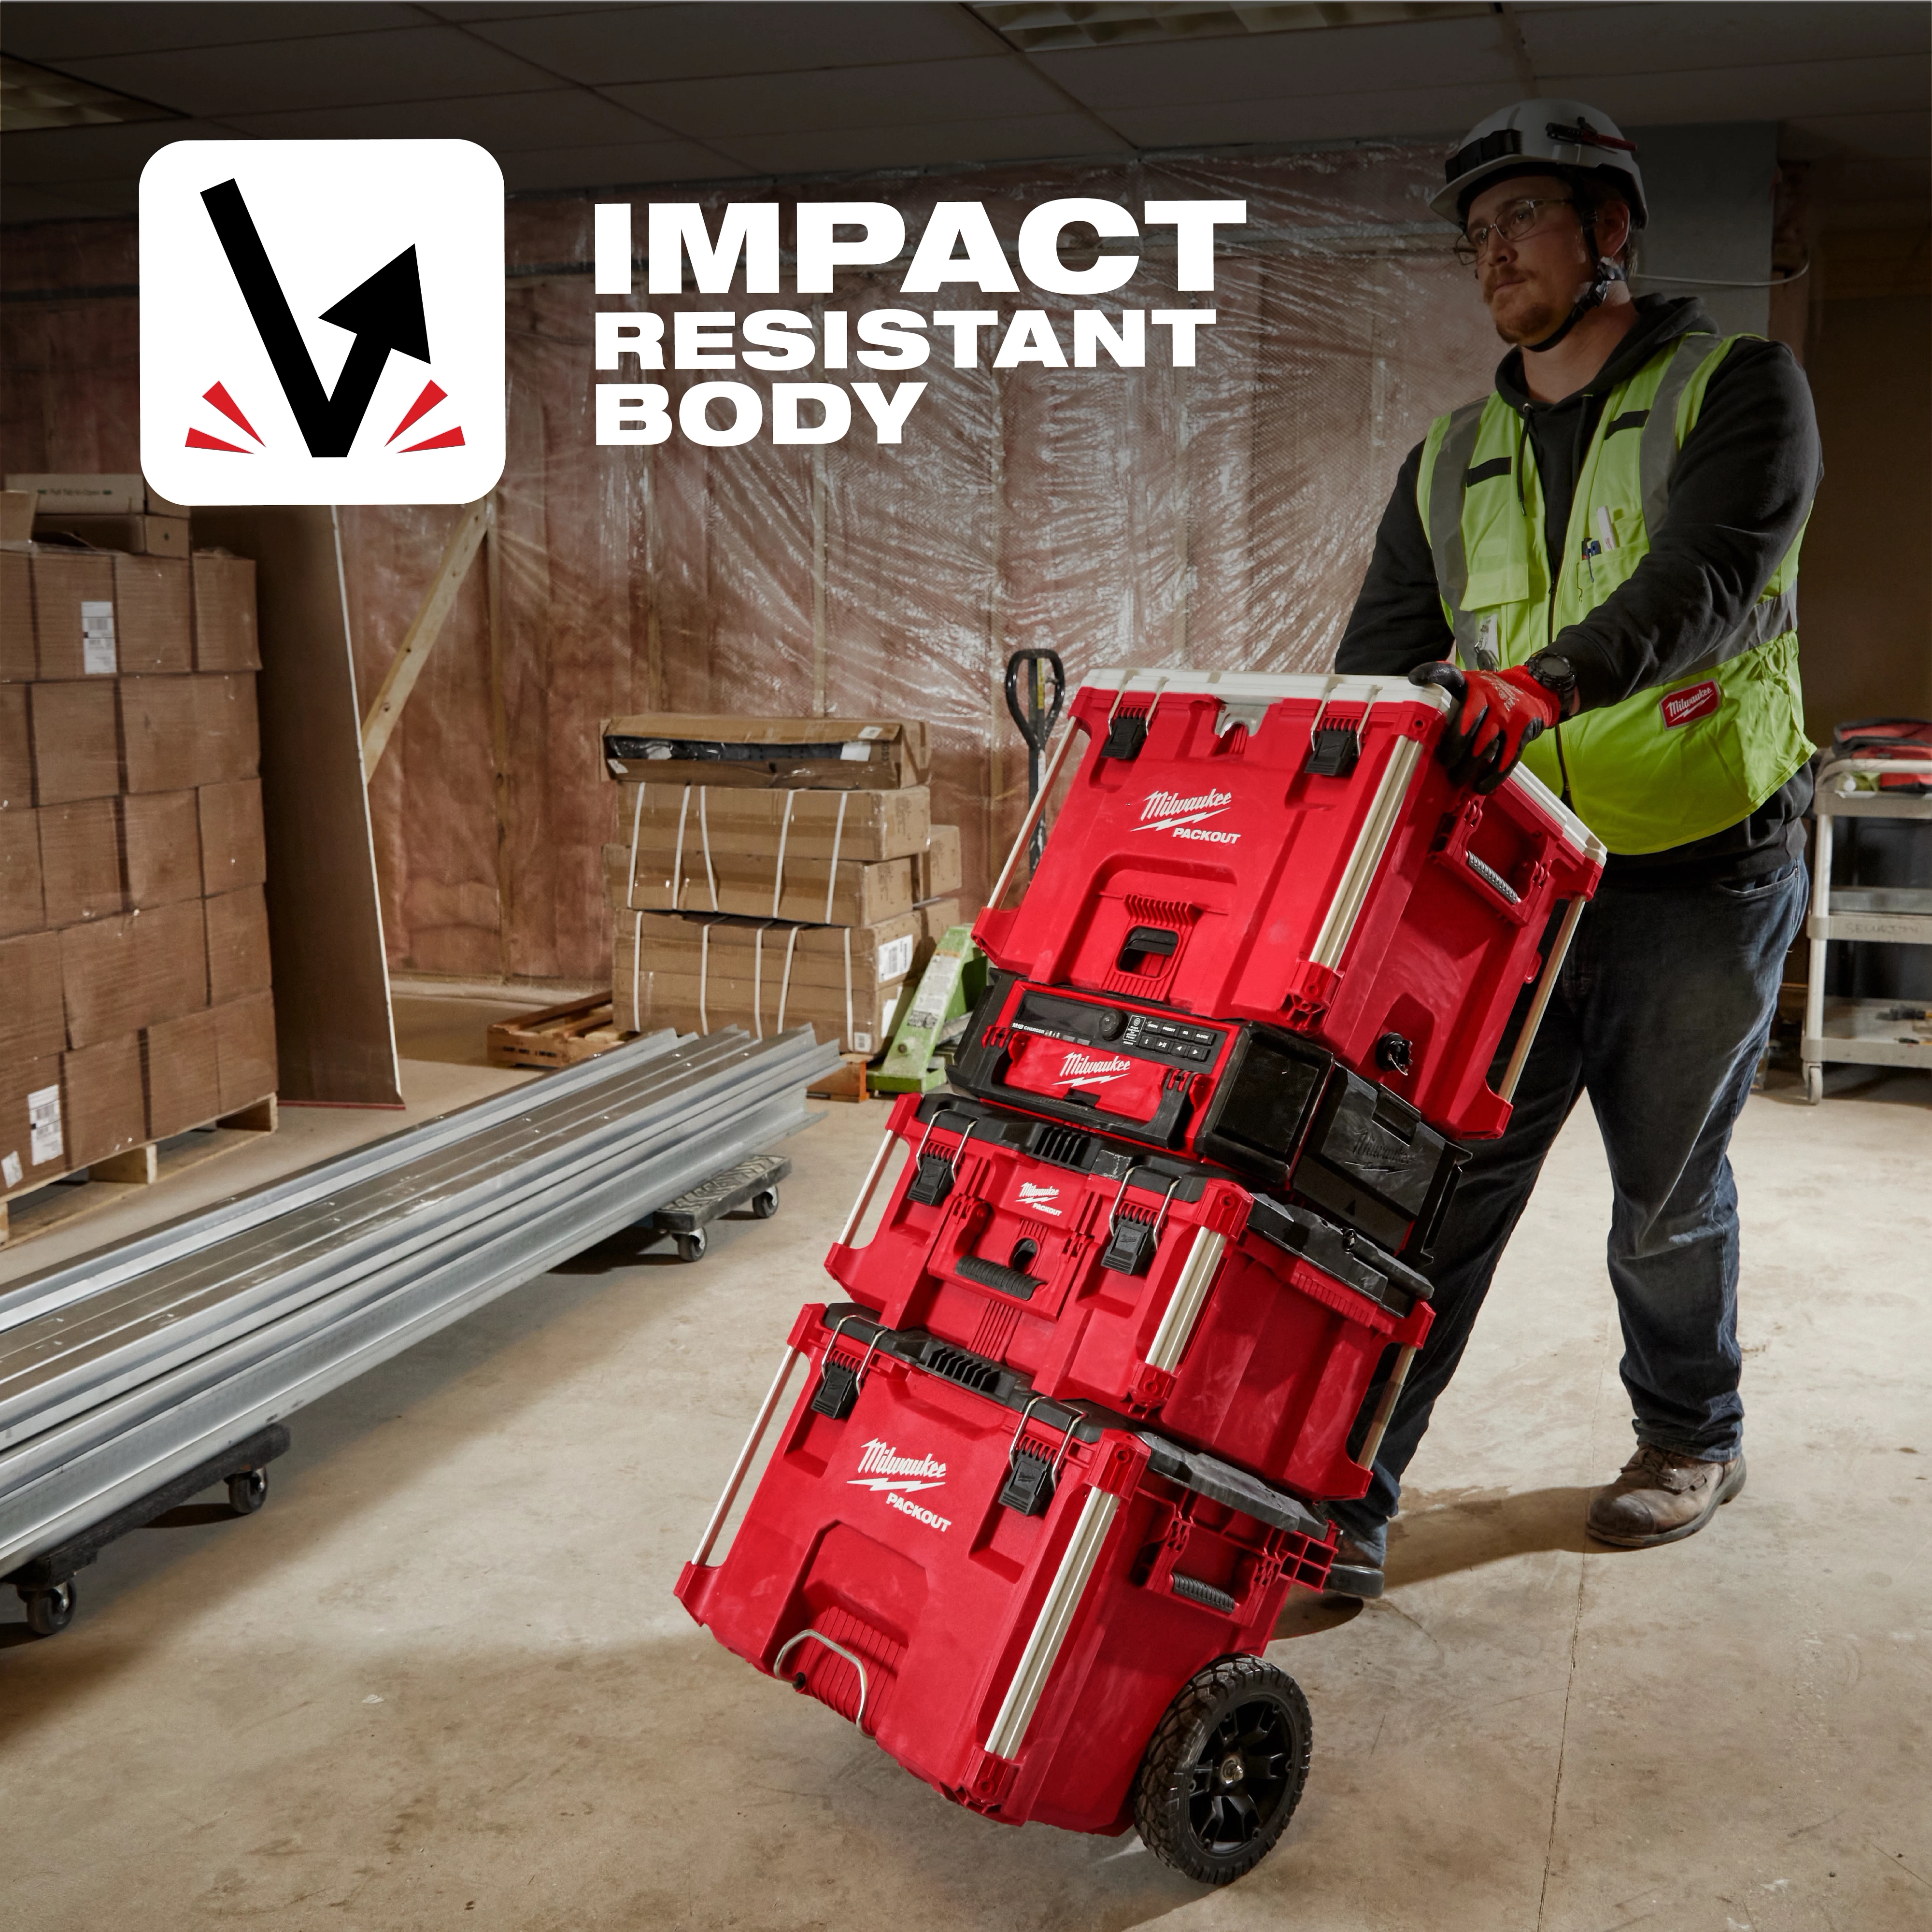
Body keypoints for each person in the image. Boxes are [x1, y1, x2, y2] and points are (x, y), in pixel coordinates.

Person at [1326, 99, 1820, 1599]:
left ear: (1611, 229)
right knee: (1442, 1187)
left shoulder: (1738, 388)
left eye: (1523, 220)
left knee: (1664, 1186)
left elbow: (1714, 582)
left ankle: (1689, 1435)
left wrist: (1540, 684)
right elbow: (1379, 669)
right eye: (1476, 236)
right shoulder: (1448, 458)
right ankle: (1345, 1488)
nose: (1494, 255)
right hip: (1516, 884)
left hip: (1699, 863)